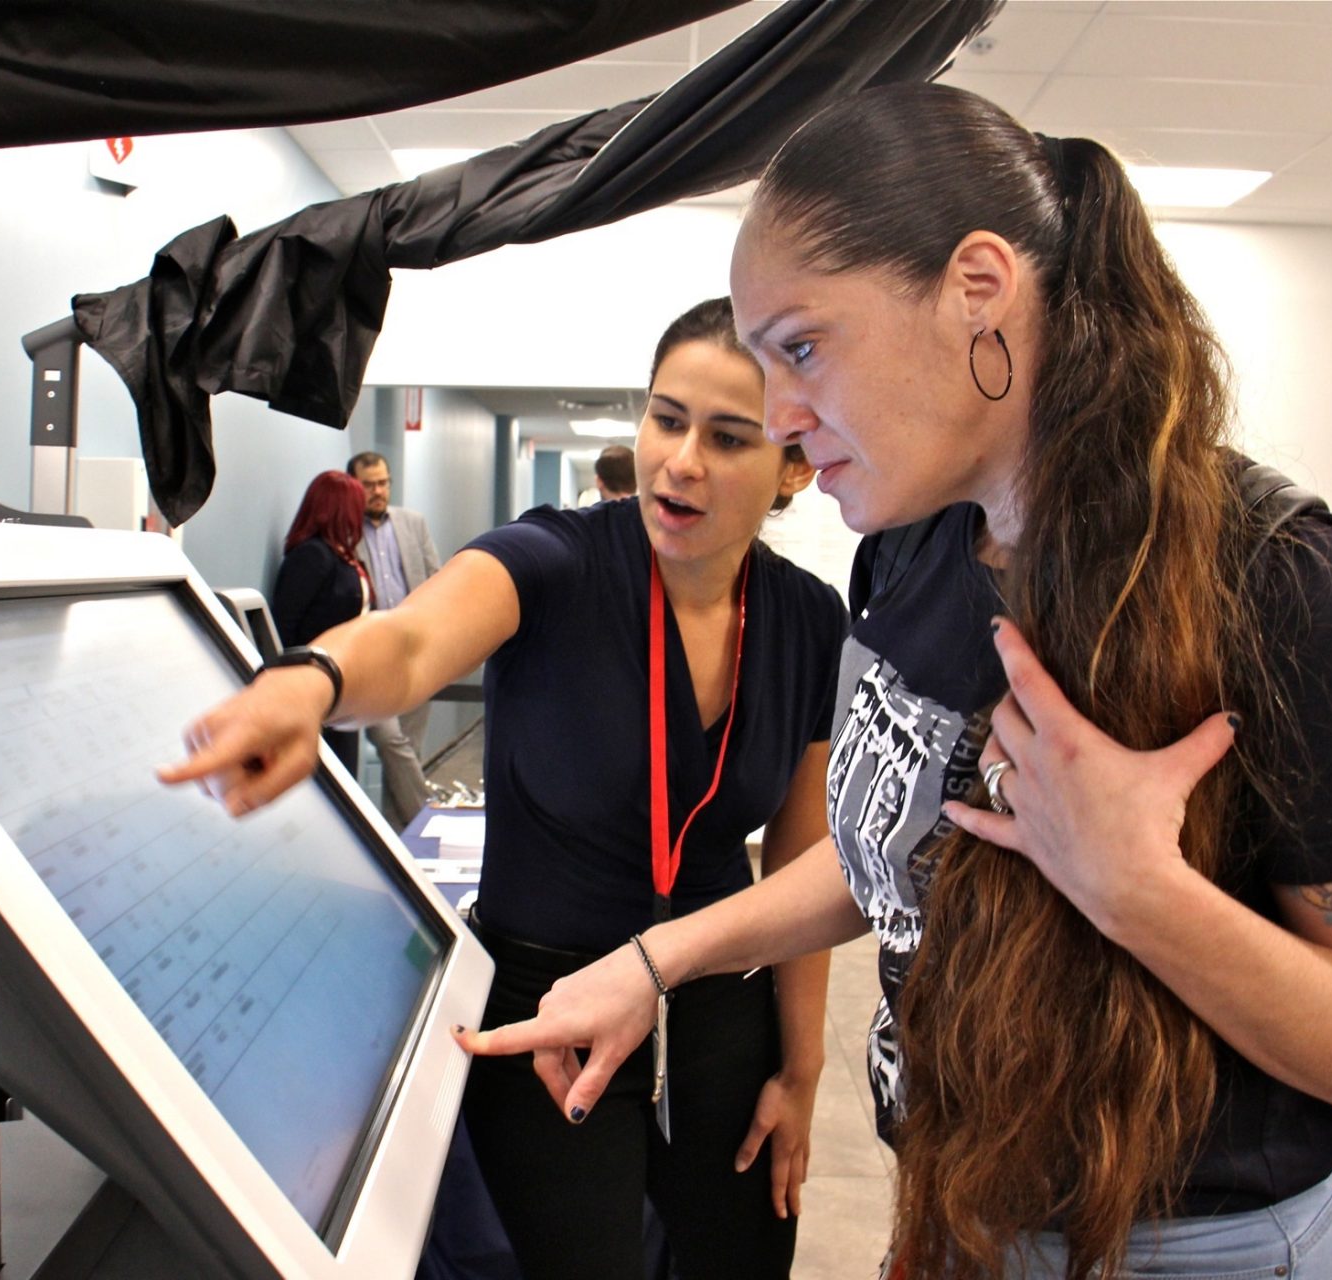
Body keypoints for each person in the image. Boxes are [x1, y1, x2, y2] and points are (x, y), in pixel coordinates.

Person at [453, 83, 1332, 1280]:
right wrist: (655, 962)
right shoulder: (916, 541)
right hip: (970, 1205)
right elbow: (898, 844)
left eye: (802, 347)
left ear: (978, 289)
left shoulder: (1289, 590)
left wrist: (1139, 890)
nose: (781, 419)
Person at [162, 298, 849, 1279]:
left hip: (715, 1013)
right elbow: (408, 639)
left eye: (730, 437)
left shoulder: (808, 619)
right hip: (545, 1016)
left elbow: (800, 857)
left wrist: (801, 1064)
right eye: (666, 418)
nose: (681, 460)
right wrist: (312, 680)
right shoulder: (558, 559)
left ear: (793, 465)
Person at [347, 450, 445, 828]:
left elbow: (435, 580)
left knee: (407, 753)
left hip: (414, 650)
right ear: (354, 485)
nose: (378, 491)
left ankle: (400, 843)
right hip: (371, 658)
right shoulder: (347, 528)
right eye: (369, 484)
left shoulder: (412, 523)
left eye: (383, 482)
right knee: (392, 743)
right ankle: (428, 819)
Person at [270, 470, 371, 773]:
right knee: (329, 774)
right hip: (317, 688)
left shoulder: (344, 556)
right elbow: (285, 625)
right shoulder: (312, 556)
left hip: (344, 689)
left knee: (344, 775)